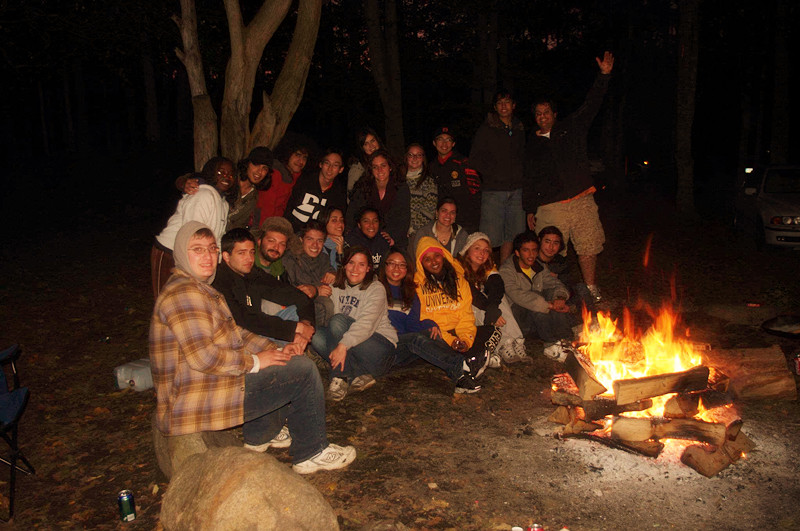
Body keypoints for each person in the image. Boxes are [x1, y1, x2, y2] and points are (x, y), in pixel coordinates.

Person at [150, 221, 355, 474]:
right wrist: (256, 361)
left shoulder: (200, 288)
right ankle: (311, 452)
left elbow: (235, 333)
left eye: (211, 249)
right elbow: (204, 358)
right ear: (182, 252)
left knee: (285, 361)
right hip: (193, 398)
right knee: (303, 371)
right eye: (198, 250)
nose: (207, 256)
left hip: (206, 383)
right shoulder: (184, 294)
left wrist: (275, 350)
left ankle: (260, 436)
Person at [523, 51, 615, 303]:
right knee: (548, 251)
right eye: (538, 113)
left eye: (546, 112)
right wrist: (529, 208)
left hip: (581, 199)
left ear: (554, 114)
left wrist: (604, 76)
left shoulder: (571, 128)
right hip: (550, 205)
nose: (542, 116)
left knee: (588, 246)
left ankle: (591, 289)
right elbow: (528, 178)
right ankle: (548, 292)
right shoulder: (531, 144)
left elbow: (591, 105)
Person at [378, 248, 485, 394]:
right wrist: (386, 329)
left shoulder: (410, 293)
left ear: (407, 269)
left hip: (402, 347)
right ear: (384, 266)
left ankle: (462, 377)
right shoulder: (376, 288)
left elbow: (412, 324)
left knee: (430, 333)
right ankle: (463, 365)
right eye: (392, 263)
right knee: (415, 339)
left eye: (402, 265)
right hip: (383, 346)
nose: (397, 268)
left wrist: (430, 324)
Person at [311, 246, 398, 402]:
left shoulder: (376, 288)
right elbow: (323, 318)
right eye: (351, 263)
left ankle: (340, 376)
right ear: (344, 265)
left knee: (338, 321)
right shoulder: (335, 287)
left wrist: (342, 345)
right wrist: (318, 292)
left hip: (378, 347)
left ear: (368, 268)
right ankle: (358, 374)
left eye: (361, 264)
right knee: (315, 334)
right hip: (352, 350)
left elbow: (366, 324)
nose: (355, 269)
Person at [414, 237, 501, 377]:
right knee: (427, 336)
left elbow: (466, 316)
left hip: (459, 332)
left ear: (443, 256)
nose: (434, 262)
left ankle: (469, 359)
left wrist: (465, 340)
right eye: (427, 259)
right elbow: (423, 318)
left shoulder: (459, 281)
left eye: (437, 256)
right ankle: (472, 361)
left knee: (493, 331)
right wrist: (451, 341)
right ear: (421, 263)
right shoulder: (417, 285)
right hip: (438, 336)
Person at [213, 227, 316, 346]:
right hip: (239, 339)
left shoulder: (252, 273)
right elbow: (244, 320)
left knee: (295, 312)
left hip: (261, 329)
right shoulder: (219, 280)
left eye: (252, 252)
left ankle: (295, 347)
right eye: (242, 253)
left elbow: (297, 296)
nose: (249, 258)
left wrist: (305, 324)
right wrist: (295, 328)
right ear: (226, 256)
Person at [151, 157, 233, 298]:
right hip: (170, 252)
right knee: (166, 299)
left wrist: (217, 261)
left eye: (230, 174)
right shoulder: (202, 195)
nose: (226, 176)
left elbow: (217, 236)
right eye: (221, 172)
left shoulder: (223, 203)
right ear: (211, 173)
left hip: (196, 256)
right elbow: (191, 233)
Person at [499, 231, 578, 362]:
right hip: (519, 318)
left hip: (540, 317)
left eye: (534, 250)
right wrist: (548, 305)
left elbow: (554, 283)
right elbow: (518, 296)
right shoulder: (506, 270)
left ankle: (566, 340)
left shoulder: (538, 266)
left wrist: (559, 298)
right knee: (536, 298)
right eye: (526, 250)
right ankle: (550, 345)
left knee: (553, 295)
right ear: (517, 253)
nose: (531, 255)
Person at [470, 89, 526, 264]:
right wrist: (492, 174)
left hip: (517, 191)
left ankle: (504, 270)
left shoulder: (519, 128)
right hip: (493, 191)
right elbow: (475, 159)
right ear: (495, 107)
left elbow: (524, 156)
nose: (503, 106)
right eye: (499, 103)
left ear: (513, 105)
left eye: (507, 102)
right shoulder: (486, 129)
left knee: (513, 235)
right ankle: (486, 271)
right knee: (489, 237)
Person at [458, 232, 528, 365]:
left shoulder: (487, 267)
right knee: (477, 305)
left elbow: (497, 285)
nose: (482, 253)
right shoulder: (457, 267)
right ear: (467, 250)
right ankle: (503, 344)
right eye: (477, 248)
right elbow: (471, 293)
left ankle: (516, 340)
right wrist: (491, 310)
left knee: (499, 299)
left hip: (482, 306)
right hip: (463, 312)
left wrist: (493, 307)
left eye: (486, 250)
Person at [347, 149, 411, 249]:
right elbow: (352, 215)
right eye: (375, 167)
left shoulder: (401, 188)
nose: (379, 170)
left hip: (393, 239)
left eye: (383, 165)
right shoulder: (362, 187)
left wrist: (392, 237)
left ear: (390, 167)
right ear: (371, 170)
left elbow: (404, 218)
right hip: (365, 237)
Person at [282, 220, 337, 327]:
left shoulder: (323, 258)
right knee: (326, 304)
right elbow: (296, 288)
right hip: (296, 308)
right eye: (310, 239)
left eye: (319, 241)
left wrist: (333, 273)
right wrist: (317, 290)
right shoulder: (291, 258)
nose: (315, 245)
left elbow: (331, 274)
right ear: (301, 240)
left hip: (318, 308)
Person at [429, 126, 481, 234]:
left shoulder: (464, 163)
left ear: (453, 144)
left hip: (466, 222)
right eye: (440, 139)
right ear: (434, 143)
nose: (444, 143)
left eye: (448, 140)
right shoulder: (431, 167)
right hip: (443, 221)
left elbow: (476, 192)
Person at [536, 225, 597, 314]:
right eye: (547, 242)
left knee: (581, 288)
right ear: (539, 241)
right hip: (542, 296)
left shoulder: (560, 261)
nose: (551, 247)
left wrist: (558, 276)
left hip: (562, 295)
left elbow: (571, 279)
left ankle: (592, 318)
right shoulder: (531, 259)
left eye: (555, 243)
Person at [285, 149, 348, 232]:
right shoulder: (304, 180)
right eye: (327, 163)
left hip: (316, 237)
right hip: (289, 230)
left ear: (341, 169)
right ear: (321, 164)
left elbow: (337, 222)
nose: (330, 169)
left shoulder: (338, 193)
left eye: (335, 165)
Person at [255, 143, 310, 226]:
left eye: (304, 158)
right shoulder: (275, 174)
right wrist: (265, 229)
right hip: (261, 223)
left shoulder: (296, 177)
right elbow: (266, 206)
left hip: (276, 222)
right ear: (288, 154)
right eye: (297, 155)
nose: (301, 161)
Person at [226, 147, 274, 232]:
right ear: (247, 164)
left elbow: (239, 225)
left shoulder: (253, 197)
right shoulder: (229, 180)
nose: (259, 171)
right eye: (256, 165)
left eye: (264, 168)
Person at [402, 143, 438, 234]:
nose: (414, 158)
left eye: (418, 155)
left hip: (419, 231)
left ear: (423, 158)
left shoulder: (429, 182)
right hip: (398, 228)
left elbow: (429, 211)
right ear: (406, 157)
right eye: (411, 155)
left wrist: (411, 228)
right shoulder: (398, 179)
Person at [345, 206, 390, 271]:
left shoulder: (383, 240)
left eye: (375, 221)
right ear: (359, 225)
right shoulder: (351, 241)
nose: (371, 225)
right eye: (366, 221)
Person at [346, 127, 385, 197]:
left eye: (373, 141)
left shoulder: (388, 160)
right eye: (366, 144)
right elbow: (351, 196)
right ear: (362, 148)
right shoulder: (357, 168)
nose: (371, 146)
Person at [255, 216, 296, 282]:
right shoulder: (245, 267)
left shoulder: (281, 273)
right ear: (259, 241)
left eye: (282, 244)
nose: (276, 247)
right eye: (271, 241)